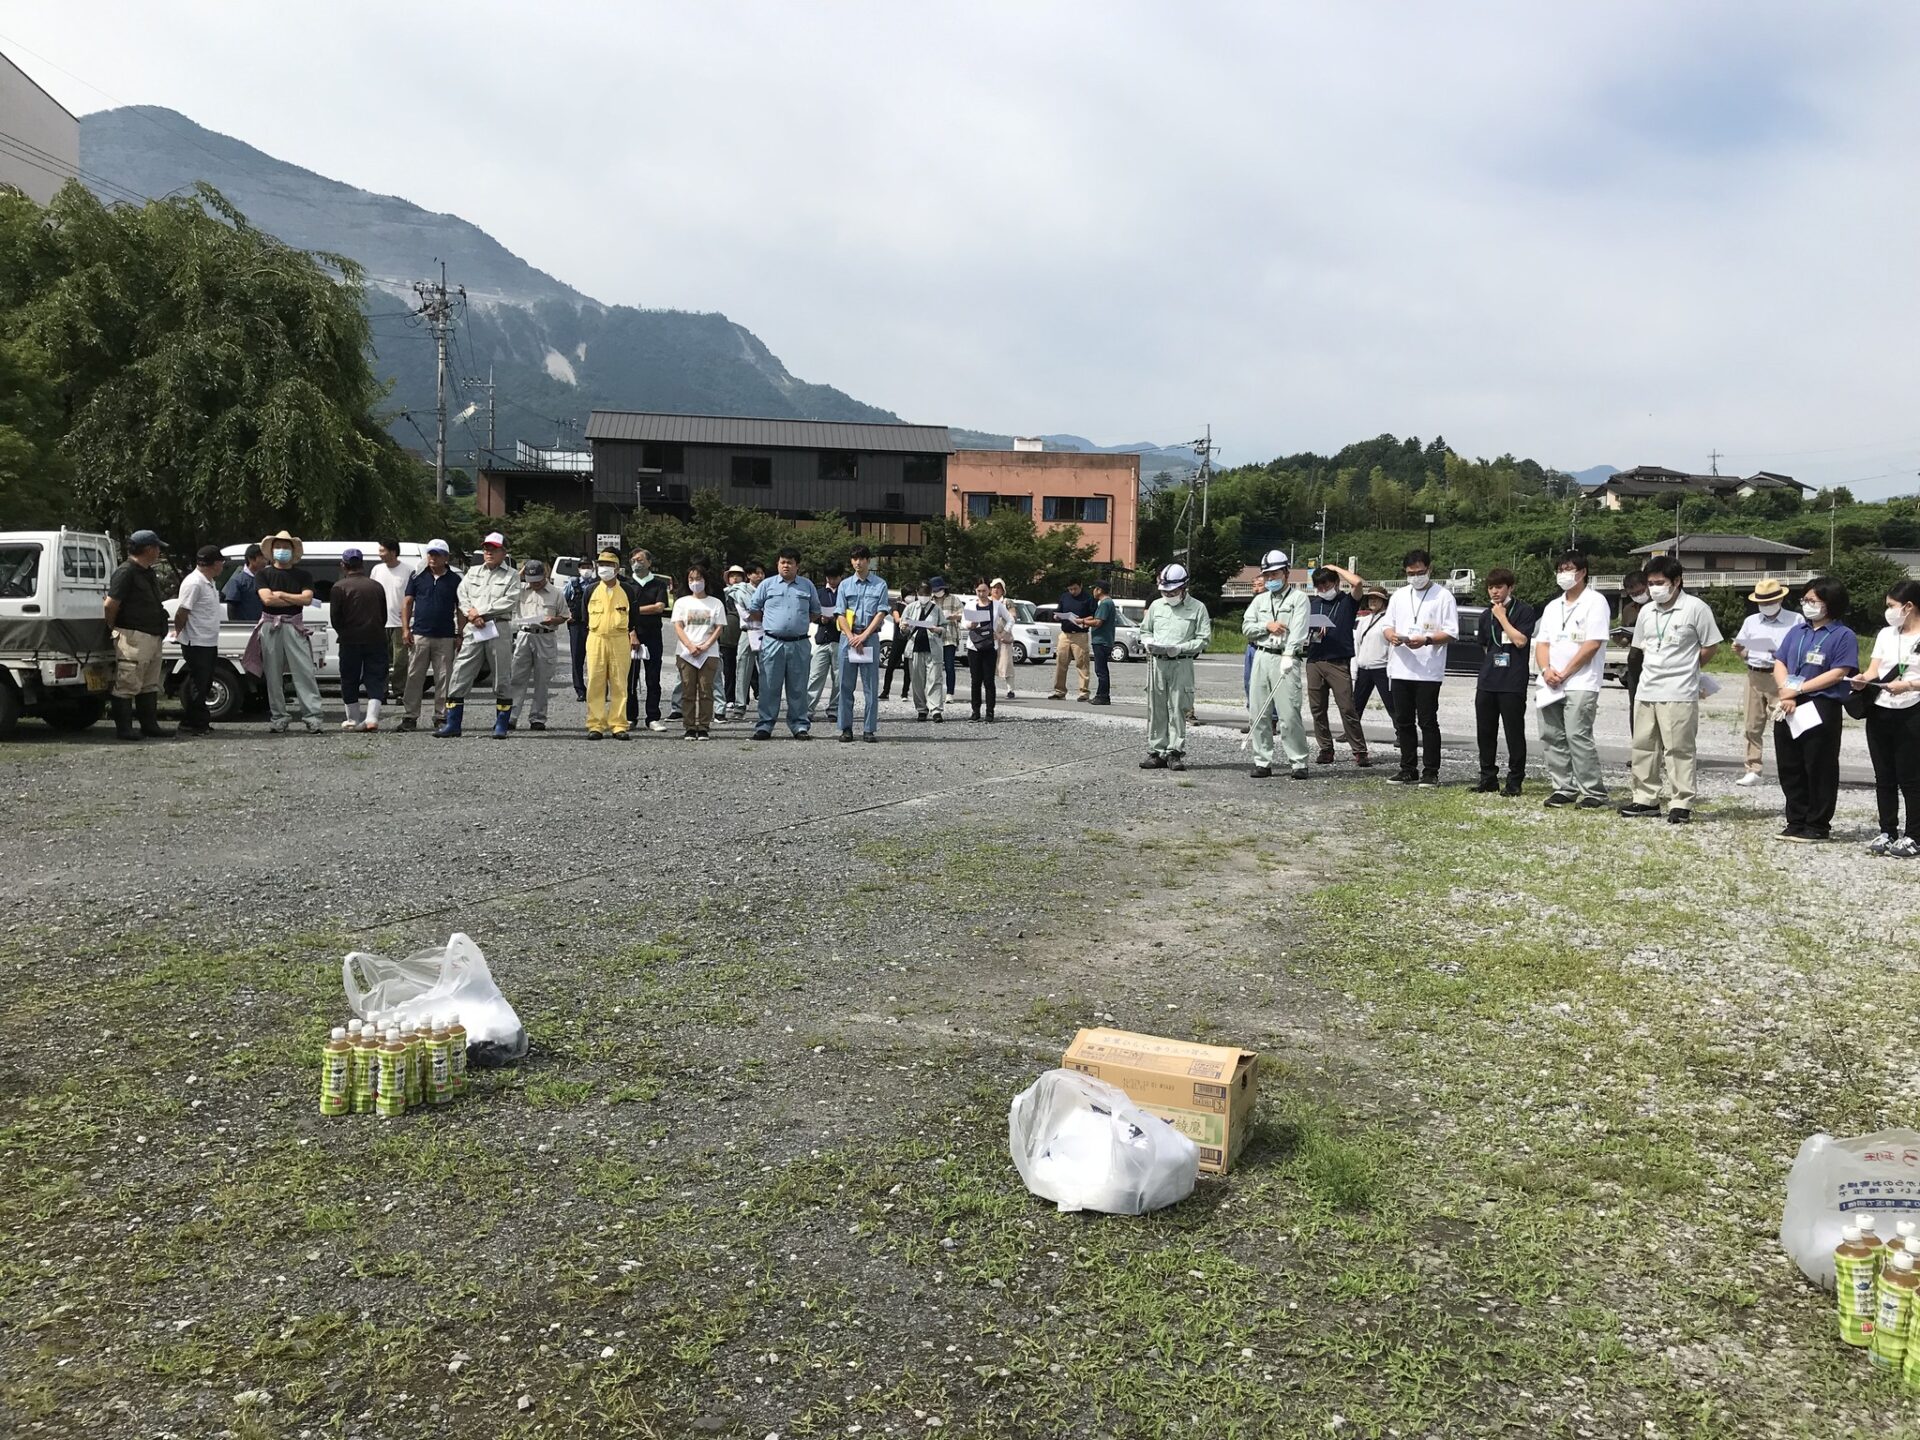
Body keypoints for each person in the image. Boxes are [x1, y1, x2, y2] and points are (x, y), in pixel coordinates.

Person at [1618, 556, 1723, 825]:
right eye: (1651, 583)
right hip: (1647, 688)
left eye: (1660, 583)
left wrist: (1690, 667)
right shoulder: (1646, 611)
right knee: (1643, 746)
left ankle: (1681, 802)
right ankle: (1645, 799)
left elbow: (1711, 645)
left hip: (1679, 690)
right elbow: (1640, 647)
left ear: (1676, 581)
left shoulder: (1695, 608)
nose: (1654, 588)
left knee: (1678, 749)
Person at [1772, 577, 1857, 843]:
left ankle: (1817, 824)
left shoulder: (1843, 635)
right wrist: (1786, 691)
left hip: (1820, 703)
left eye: (1813, 600)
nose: (1807, 605)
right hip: (1789, 701)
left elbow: (1838, 672)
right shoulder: (1798, 631)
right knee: (1790, 763)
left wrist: (1798, 690)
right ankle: (1795, 820)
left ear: (1830, 603)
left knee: (1819, 765)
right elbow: (1780, 661)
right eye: (1805, 600)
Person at [1533, 550, 1612, 809]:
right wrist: (1546, 670)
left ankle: (1593, 792)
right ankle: (1563, 787)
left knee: (1578, 735)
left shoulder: (1595, 601)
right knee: (1551, 735)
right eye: (1560, 570)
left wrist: (1565, 672)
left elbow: (1592, 644)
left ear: (1583, 572)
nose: (1563, 574)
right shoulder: (1552, 606)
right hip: (1550, 682)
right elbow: (1542, 643)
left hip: (1581, 681)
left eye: (1568, 569)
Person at [1854, 581, 1920, 857]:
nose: (1888, 611)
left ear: (1909, 606)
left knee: (1911, 777)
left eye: (1892, 606)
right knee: (1884, 775)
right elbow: (1874, 670)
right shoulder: (1885, 634)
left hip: (1912, 708)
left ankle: (1914, 835)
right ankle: (1887, 830)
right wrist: (1862, 679)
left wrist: (1909, 685)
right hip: (1881, 707)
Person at [1382, 548, 1457, 786]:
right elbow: (1387, 625)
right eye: (1410, 573)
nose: (1415, 577)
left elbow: (1451, 632)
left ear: (1429, 569)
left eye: (1420, 572)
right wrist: (1392, 636)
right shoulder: (1399, 595)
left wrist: (1427, 640)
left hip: (1428, 670)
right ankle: (1408, 768)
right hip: (1400, 667)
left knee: (1427, 721)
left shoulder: (1443, 596)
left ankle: (1431, 771)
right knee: (1403, 721)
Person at [437, 531, 523, 739]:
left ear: (504, 552)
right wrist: (471, 614)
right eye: (486, 549)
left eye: (494, 549)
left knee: (502, 675)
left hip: (497, 627)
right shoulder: (473, 572)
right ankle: (453, 724)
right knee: (460, 672)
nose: (489, 552)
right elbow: (462, 594)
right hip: (474, 628)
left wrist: (481, 612)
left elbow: (510, 600)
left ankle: (501, 725)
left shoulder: (512, 575)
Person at [1242, 549, 1311, 779]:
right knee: (1258, 712)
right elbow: (1247, 627)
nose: (1271, 579)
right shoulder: (1259, 600)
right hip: (1261, 655)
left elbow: (1299, 630)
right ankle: (1262, 761)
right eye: (1267, 575)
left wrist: (1290, 654)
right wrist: (1266, 626)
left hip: (1285, 657)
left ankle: (1298, 762)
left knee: (1289, 713)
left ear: (1286, 573)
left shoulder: (1299, 599)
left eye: (1275, 574)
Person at [1138, 562, 1212, 770]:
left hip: (1182, 662)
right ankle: (1157, 751)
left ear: (1184, 587)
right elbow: (1145, 630)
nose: (1168, 595)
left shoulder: (1198, 608)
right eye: (1165, 591)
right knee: (1156, 707)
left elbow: (1204, 639)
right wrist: (1148, 641)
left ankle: (1174, 752)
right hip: (1157, 663)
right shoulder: (1156, 606)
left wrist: (1180, 648)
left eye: (1173, 591)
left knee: (1178, 707)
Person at [102, 528, 173, 741]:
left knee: (149, 684)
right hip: (132, 635)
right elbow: (110, 604)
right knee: (127, 682)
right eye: (157, 547)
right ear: (148, 549)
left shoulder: (147, 572)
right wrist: (112, 626)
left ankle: (149, 726)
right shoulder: (126, 572)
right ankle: (124, 729)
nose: (159, 551)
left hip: (152, 634)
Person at [1730, 578, 1801, 788]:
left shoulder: (1796, 620)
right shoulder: (1751, 621)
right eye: (1762, 602)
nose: (1766, 605)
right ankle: (1753, 769)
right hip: (1754, 674)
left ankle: (1792, 769)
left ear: (1780, 599)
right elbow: (1743, 649)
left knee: (1786, 723)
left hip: (1781, 676)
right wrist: (1739, 650)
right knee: (1752, 725)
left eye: (1769, 601)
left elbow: (1800, 650)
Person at [748, 547, 826, 740]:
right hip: (772, 642)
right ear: (778, 564)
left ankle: (799, 725)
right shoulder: (767, 585)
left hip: (799, 643)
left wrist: (797, 624)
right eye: (782, 562)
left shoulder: (807, 586)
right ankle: (765, 725)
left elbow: (815, 612)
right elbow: (754, 609)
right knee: (769, 686)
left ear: (797, 566)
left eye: (790, 563)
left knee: (798, 687)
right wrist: (773, 624)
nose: (785, 566)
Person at [1472, 568, 1536, 795]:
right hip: (1488, 680)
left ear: (1510, 587)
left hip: (1513, 681)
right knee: (1485, 731)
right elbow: (1485, 646)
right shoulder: (1485, 615)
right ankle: (1487, 777)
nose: (1494, 591)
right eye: (1491, 587)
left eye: (1499, 587)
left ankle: (1515, 780)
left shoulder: (1524, 611)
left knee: (1513, 732)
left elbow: (1520, 641)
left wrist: (1502, 617)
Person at [254, 529, 323, 734]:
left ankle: (312, 717)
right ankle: (279, 717)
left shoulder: (303, 575)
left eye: (286, 547)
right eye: (278, 547)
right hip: (270, 625)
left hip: (294, 625)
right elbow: (267, 599)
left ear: (293, 551)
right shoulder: (263, 574)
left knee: (304, 672)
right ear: (271, 550)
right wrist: (294, 598)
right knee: (273, 674)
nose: (282, 550)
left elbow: (307, 599)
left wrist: (282, 594)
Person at [1304, 563, 1370, 767]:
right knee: (1317, 708)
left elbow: (1357, 583)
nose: (1323, 589)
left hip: (1338, 661)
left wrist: (1335, 568)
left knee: (1347, 707)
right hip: (1315, 660)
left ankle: (1359, 750)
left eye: (1326, 585)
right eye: (1319, 586)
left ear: (1336, 583)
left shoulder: (1347, 601)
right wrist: (1312, 633)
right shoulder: (1313, 604)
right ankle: (1325, 748)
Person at [399, 538, 461, 732]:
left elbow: (460, 607)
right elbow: (407, 602)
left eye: (437, 554)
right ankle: (410, 716)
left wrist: (460, 633)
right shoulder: (417, 576)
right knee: (414, 676)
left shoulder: (455, 580)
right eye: (431, 554)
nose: (433, 558)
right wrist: (405, 629)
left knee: (444, 678)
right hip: (420, 634)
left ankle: (441, 716)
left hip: (445, 635)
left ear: (446, 557)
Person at [329, 547, 389, 733]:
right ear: (362, 564)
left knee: (349, 678)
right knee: (376, 677)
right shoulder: (376, 586)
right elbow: (383, 615)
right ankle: (372, 717)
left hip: (349, 639)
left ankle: (352, 719)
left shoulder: (339, 587)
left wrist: (345, 632)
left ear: (343, 565)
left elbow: (335, 619)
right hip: (376, 637)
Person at [582, 550, 639, 740]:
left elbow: (634, 617)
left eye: (608, 565)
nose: (604, 568)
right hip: (596, 638)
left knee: (619, 683)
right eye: (601, 565)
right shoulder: (590, 589)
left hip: (619, 639)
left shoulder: (628, 590)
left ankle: (618, 724)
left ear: (617, 568)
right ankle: (596, 725)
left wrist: (631, 634)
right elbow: (584, 617)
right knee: (595, 682)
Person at [836, 545, 890, 742]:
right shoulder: (844, 585)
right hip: (848, 639)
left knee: (870, 686)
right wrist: (852, 636)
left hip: (870, 638)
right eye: (854, 559)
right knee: (845, 685)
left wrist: (864, 636)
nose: (857, 562)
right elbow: (840, 613)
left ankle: (869, 729)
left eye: (861, 559)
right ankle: (846, 728)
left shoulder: (880, 584)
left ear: (868, 560)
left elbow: (881, 612)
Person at [507, 559, 568, 732]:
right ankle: (511, 717)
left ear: (545, 575)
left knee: (542, 680)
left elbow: (564, 616)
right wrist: (520, 575)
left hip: (545, 636)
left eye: (538, 581)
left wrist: (553, 619)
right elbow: (507, 586)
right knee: (517, 678)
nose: (534, 584)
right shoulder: (520, 589)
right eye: (531, 580)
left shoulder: (556, 593)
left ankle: (538, 718)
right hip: (524, 635)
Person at [170, 544, 225, 735]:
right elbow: (182, 611)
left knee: (205, 683)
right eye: (221, 562)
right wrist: (178, 631)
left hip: (208, 640)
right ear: (214, 563)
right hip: (196, 641)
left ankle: (199, 720)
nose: (222, 565)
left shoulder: (209, 582)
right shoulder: (194, 583)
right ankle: (192, 723)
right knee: (198, 684)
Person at [667, 562, 725, 740]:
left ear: (705, 580)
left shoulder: (715, 603)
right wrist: (690, 646)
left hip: (709, 652)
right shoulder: (681, 602)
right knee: (688, 690)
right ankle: (690, 726)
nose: (695, 582)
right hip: (686, 653)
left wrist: (706, 645)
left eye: (698, 578)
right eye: (691, 579)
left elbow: (719, 627)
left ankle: (704, 725)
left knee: (706, 690)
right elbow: (678, 626)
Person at [625, 548, 670, 732]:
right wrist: (632, 632)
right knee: (630, 678)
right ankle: (630, 716)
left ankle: (653, 717)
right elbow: (622, 611)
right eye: (634, 560)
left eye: (641, 560)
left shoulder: (658, 584)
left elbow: (659, 607)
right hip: (631, 634)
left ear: (649, 562)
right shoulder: (627, 584)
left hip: (653, 635)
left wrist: (633, 610)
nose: (637, 563)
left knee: (653, 677)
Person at [963, 579, 1010, 722]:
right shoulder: (970, 604)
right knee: (975, 680)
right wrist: (970, 625)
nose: (981, 594)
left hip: (990, 645)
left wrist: (1002, 634)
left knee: (989, 680)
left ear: (988, 591)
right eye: (979, 591)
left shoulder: (996, 605)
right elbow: (963, 622)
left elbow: (1010, 619)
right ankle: (975, 711)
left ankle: (990, 712)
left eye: (984, 591)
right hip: (974, 645)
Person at [899, 581, 945, 721]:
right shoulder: (910, 608)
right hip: (915, 647)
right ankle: (921, 709)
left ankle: (935, 710)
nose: (924, 596)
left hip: (933, 648)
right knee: (917, 681)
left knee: (935, 679)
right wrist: (904, 627)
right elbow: (903, 628)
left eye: (926, 594)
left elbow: (944, 628)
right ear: (917, 594)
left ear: (930, 594)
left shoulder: (936, 609)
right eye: (921, 593)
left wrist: (936, 629)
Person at [372, 539, 415, 685]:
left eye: (382, 551)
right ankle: (381, 690)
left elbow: (413, 596)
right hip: (380, 622)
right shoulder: (377, 570)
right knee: (380, 659)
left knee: (400, 660)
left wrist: (411, 616)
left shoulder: (408, 570)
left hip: (400, 623)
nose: (380, 554)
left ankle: (399, 690)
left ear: (393, 552)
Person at [1351, 585, 1391, 722]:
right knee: (1356, 706)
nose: (1372, 601)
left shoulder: (1389, 620)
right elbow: (1357, 644)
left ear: (1383, 601)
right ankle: (1352, 731)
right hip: (1364, 668)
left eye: (1376, 598)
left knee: (1391, 704)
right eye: (1370, 598)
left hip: (1382, 668)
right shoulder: (1363, 620)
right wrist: (1355, 668)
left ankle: (1401, 731)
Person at [808, 563, 843, 721]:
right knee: (815, 676)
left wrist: (837, 619)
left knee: (839, 678)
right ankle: (808, 709)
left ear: (840, 577)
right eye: (829, 577)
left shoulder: (844, 592)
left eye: (835, 577)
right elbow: (812, 612)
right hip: (822, 638)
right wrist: (820, 619)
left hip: (839, 639)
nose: (832, 581)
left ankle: (834, 709)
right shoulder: (819, 593)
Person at [729, 562, 764, 720]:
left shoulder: (767, 589)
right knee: (742, 667)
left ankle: (766, 703)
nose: (759, 576)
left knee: (766, 669)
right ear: (749, 575)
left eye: (761, 573)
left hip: (764, 631)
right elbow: (745, 613)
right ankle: (740, 704)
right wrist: (758, 613)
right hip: (747, 631)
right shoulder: (740, 590)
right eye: (756, 573)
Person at [1050, 579, 1095, 701]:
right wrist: (1057, 616)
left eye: (1075, 589)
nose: (1072, 591)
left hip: (1080, 634)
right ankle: (1059, 691)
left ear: (1080, 586)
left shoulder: (1088, 598)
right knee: (1061, 662)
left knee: (1082, 663)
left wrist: (1082, 620)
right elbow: (1059, 611)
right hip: (1065, 634)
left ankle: (1084, 692)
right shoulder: (1064, 597)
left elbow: (1094, 615)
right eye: (1070, 589)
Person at [1616, 569, 1649, 705]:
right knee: (1635, 703)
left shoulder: (1657, 605)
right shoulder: (1628, 609)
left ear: (1647, 586)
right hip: (1636, 659)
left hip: (1655, 658)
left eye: (1640, 592)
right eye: (1632, 594)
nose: (1637, 596)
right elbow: (1625, 639)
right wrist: (1619, 639)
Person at [717, 563, 744, 720]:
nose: (735, 579)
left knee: (747, 669)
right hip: (727, 636)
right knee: (728, 669)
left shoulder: (748, 592)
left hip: (745, 634)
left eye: (738, 575)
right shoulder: (723, 594)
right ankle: (730, 698)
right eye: (732, 576)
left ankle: (746, 698)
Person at [564, 563, 593, 703]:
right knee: (577, 658)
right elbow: (562, 600)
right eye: (583, 567)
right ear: (578, 569)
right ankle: (580, 690)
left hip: (594, 625)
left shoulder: (597, 584)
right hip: (576, 624)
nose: (586, 570)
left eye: (588, 566)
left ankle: (598, 690)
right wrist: (566, 614)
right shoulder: (572, 583)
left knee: (597, 659)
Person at [1088, 580, 1118, 705]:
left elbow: (1098, 622)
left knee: (1101, 670)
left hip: (1101, 641)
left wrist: (1083, 622)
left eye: (1094, 588)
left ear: (1099, 590)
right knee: (1102, 669)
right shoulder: (1108, 602)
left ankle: (1103, 696)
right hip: (1105, 640)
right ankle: (1102, 695)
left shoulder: (1105, 603)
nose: (1093, 591)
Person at [934, 575, 964, 699]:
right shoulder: (931, 601)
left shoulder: (954, 599)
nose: (937, 592)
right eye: (935, 590)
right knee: (934, 666)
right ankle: (935, 692)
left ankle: (950, 693)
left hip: (950, 636)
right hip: (934, 637)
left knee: (949, 666)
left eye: (939, 589)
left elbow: (964, 615)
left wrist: (953, 616)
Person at [222, 543, 265, 624]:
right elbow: (231, 608)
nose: (265, 562)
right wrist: (237, 627)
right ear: (251, 559)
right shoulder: (237, 581)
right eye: (262, 558)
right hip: (247, 626)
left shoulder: (264, 578)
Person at [991, 579, 1018, 698]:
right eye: (994, 587)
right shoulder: (988, 601)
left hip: (1004, 636)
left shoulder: (1007, 602)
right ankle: (989, 688)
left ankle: (1010, 689)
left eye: (998, 587)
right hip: (991, 636)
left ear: (1003, 590)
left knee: (1006, 663)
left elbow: (1013, 616)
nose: (996, 590)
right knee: (990, 663)